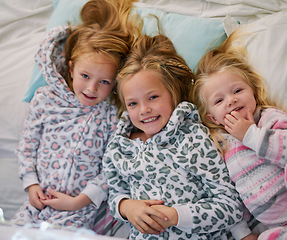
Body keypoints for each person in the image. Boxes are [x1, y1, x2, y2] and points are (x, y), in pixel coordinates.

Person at [102, 33, 255, 240]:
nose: (144, 109)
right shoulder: (119, 147)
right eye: (133, 103)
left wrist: (176, 216)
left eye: (153, 97)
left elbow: (230, 206)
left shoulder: (192, 138)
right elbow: (113, 194)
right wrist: (125, 206)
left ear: (173, 93)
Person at [10, 0, 140, 235]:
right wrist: (31, 185)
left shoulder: (113, 115)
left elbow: (113, 166)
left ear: (114, 83)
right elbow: (27, 146)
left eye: (104, 82)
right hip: (37, 203)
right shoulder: (45, 99)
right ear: (71, 68)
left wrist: (80, 201)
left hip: (82, 211)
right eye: (85, 75)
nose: (91, 89)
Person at [191, 30, 287, 239]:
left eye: (237, 91)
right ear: (213, 118)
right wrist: (242, 232)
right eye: (219, 101)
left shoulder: (269, 119)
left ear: (252, 91)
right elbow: (228, 192)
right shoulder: (221, 146)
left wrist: (251, 135)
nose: (231, 101)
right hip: (270, 227)